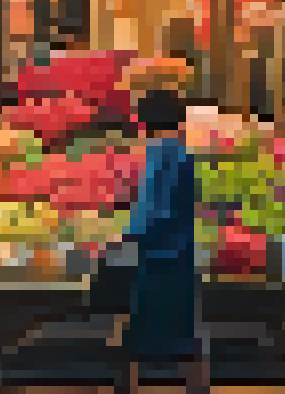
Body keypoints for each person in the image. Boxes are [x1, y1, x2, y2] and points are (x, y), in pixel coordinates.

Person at [123, 87, 206, 394]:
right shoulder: (185, 153)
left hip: (157, 255)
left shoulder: (159, 153)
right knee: (185, 330)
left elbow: (153, 208)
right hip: (182, 252)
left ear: (146, 121)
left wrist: (124, 236)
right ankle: (197, 387)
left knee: (140, 334)